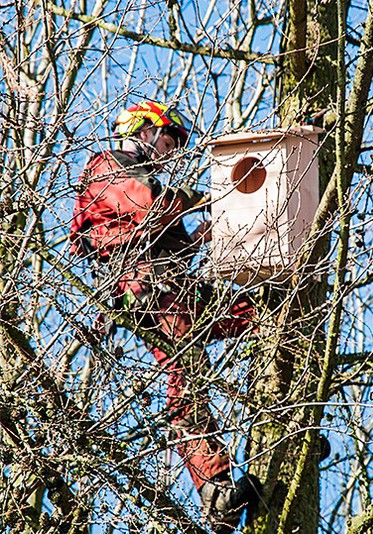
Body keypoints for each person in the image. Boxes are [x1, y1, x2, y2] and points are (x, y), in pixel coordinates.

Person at [69, 100, 260, 533]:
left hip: (174, 288)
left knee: (263, 312)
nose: (171, 154)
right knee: (186, 375)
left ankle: (295, 421)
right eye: (169, 143)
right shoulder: (109, 167)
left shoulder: (139, 178)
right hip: (151, 293)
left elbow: (170, 247)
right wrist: (206, 197)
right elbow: (151, 204)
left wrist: (205, 232)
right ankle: (216, 491)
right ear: (144, 131)